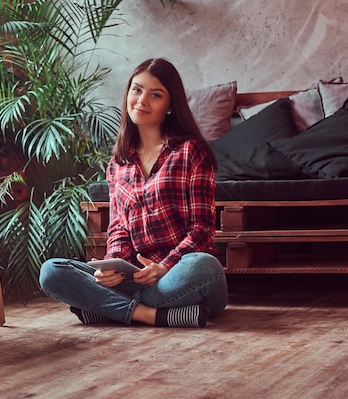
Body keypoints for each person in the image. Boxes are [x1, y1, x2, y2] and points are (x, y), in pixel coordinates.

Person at [39, 58, 228, 327]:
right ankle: (151, 315)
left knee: (204, 265)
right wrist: (112, 267)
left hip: (182, 275)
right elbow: (118, 229)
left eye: (156, 95)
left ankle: (106, 308)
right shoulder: (118, 163)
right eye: (137, 90)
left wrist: (164, 267)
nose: (142, 100)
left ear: (171, 105)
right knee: (51, 271)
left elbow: (202, 229)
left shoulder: (191, 151)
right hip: (136, 278)